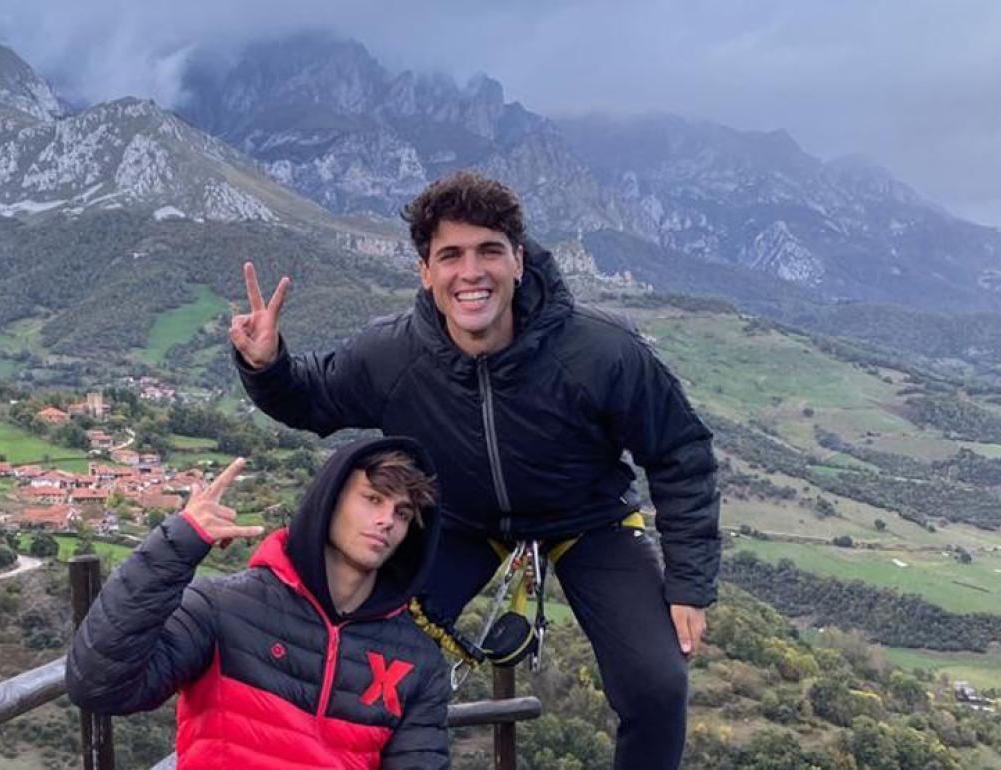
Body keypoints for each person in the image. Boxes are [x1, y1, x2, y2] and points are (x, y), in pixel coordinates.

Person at [229, 170, 720, 769]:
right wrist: (266, 365)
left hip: (589, 519)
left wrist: (689, 585)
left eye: (489, 251)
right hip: (459, 521)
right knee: (363, 651)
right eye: (450, 255)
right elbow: (312, 400)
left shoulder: (598, 351)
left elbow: (681, 454)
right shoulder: (395, 354)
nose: (471, 273)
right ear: (425, 271)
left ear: (518, 260)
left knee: (657, 685)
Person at [65, 437, 451, 769]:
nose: (387, 520)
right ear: (329, 500)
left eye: (402, 513)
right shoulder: (222, 608)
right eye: (373, 499)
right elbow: (100, 686)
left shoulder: (416, 660)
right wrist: (177, 543)